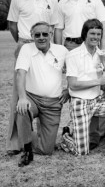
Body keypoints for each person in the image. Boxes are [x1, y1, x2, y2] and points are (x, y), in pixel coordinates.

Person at [6, 0, 59, 155]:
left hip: (45, 46)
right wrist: (23, 42)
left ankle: (41, 135)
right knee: (19, 97)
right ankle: (16, 143)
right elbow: (12, 24)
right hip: (25, 44)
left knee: (43, 88)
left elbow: (54, 26)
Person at [15, 21, 68, 166]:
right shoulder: (26, 48)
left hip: (53, 103)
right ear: (32, 36)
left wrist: (68, 89)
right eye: (37, 35)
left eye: (45, 34)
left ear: (51, 35)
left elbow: (73, 71)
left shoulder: (62, 50)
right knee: (22, 109)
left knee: (46, 150)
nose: (41, 37)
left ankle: (30, 135)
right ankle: (27, 150)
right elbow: (21, 73)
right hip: (32, 98)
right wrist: (22, 98)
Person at [61, 19, 105, 155]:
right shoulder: (73, 55)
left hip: (98, 100)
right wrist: (99, 81)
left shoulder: (101, 54)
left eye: (98, 34)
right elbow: (73, 84)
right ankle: (66, 136)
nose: (96, 37)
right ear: (85, 34)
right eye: (92, 33)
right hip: (80, 102)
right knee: (82, 152)